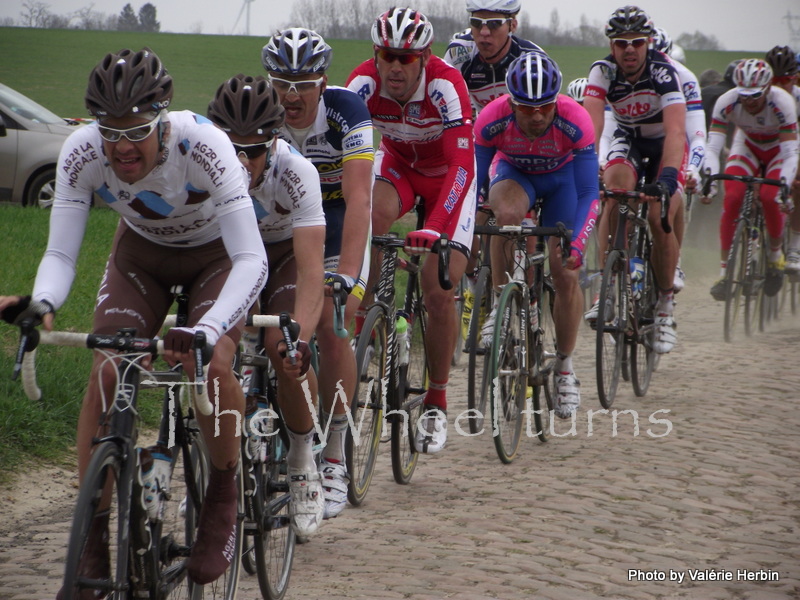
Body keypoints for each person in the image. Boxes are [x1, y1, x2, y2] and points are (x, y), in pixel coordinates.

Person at [0, 48, 269, 588]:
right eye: (109, 129)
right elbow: (60, 253)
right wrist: (44, 302)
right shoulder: (82, 152)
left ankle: (222, 492)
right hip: (140, 257)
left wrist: (207, 329)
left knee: (213, 368)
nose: (121, 145)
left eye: (137, 129)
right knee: (106, 372)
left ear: (162, 119)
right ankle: (93, 543)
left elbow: (252, 259)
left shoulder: (205, 145)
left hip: (218, 258)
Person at [346, 7, 476, 453]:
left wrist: (437, 227)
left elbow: (463, 165)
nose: (395, 67)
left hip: (448, 180)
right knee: (365, 214)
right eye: (387, 56)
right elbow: (339, 154)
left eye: (407, 58)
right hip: (400, 168)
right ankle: (365, 315)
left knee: (438, 288)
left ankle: (437, 400)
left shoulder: (445, 84)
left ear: (424, 57)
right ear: (375, 54)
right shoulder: (361, 83)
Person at [207, 74, 328, 537]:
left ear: (273, 144)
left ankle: (301, 459)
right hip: (227, 257)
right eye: (231, 147)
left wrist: (301, 336)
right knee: (214, 355)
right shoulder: (203, 166)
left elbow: (312, 269)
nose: (241, 161)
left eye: (253, 151)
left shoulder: (296, 172)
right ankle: (212, 483)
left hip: (283, 259)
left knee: (284, 347)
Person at [262, 27, 374, 518]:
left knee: (332, 324)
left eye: (304, 82)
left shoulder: (347, 111)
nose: (292, 93)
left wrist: (348, 274)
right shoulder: (258, 115)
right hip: (284, 231)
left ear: (322, 82)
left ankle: (333, 456)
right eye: (282, 81)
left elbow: (359, 198)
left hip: (336, 227)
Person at [474, 51, 600, 419]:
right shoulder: (491, 118)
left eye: (545, 106)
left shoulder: (576, 120)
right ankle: (501, 303)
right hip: (514, 176)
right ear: (511, 103)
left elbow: (589, 192)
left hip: (563, 185)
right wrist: (471, 220)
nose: (537, 115)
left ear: (556, 100)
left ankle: (564, 367)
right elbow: (476, 185)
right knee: (507, 216)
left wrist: (576, 243)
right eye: (526, 109)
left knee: (565, 272)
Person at [583, 5, 686, 355]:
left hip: (663, 145)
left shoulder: (663, 72)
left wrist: (668, 178)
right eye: (622, 42)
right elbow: (592, 126)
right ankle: (607, 289)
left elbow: (675, 131)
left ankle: (665, 306)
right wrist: (585, 167)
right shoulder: (602, 71)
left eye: (637, 43)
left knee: (661, 215)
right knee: (613, 191)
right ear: (612, 46)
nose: (629, 49)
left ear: (649, 43)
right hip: (628, 138)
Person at [702, 59, 799, 299]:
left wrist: (784, 188)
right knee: (733, 197)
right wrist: (710, 183)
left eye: (755, 95)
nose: (749, 101)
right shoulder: (727, 101)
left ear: (767, 88)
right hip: (747, 146)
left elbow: (790, 153)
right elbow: (713, 148)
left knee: (769, 197)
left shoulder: (782, 102)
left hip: (778, 151)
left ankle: (775, 257)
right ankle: (725, 273)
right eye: (744, 95)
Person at [443, 0, 545, 117]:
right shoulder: (459, 53)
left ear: (512, 26)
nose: (484, 32)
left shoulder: (532, 59)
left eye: (494, 24)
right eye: (476, 23)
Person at [764, 46, 800, 274]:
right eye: (774, 80)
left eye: (785, 80)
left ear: (795, 78)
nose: (779, 86)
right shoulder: (760, 95)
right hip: (766, 147)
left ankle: (795, 246)